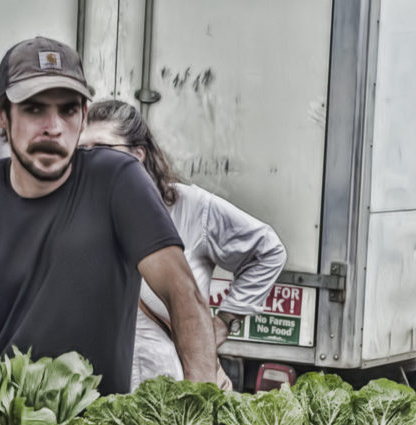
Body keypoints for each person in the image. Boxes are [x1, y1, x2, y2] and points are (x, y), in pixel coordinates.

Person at [0, 37, 218, 394]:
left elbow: (183, 294)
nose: (53, 127)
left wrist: (200, 407)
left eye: (68, 110)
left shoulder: (118, 181)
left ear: (84, 115)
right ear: (1, 113)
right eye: (34, 109)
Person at [79, 99, 287, 389]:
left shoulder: (189, 206)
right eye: (81, 151)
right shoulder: (78, 215)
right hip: (105, 397)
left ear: (137, 154)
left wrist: (226, 319)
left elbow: (268, 250)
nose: (89, 160)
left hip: (178, 399)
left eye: (101, 149)